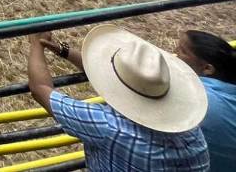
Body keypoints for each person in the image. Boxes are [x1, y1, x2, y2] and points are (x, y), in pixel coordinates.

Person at [27, 26, 209, 171]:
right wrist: (62, 50)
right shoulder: (192, 134)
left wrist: (36, 43)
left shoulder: (109, 126)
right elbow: (108, 72)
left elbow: (40, 89)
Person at [177, 29, 236, 168]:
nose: (175, 54)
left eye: (183, 51)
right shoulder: (229, 90)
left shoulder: (196, 95)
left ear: (208, 68)